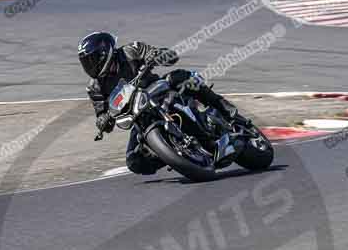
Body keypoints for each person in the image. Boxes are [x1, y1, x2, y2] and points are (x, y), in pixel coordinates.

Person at [78, 31, 240, 175]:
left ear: (105, 53)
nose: (89, 66)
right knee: (133, 161)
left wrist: (155, 55)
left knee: (180, 78)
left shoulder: (130, 51)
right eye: (86, 62)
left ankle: (223, 107)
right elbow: (103, 115)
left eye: (92, 60)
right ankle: (173, 154)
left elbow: (171, 56)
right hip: (139, 115)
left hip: (158, 92)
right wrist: (103, 121)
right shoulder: (94, 87)